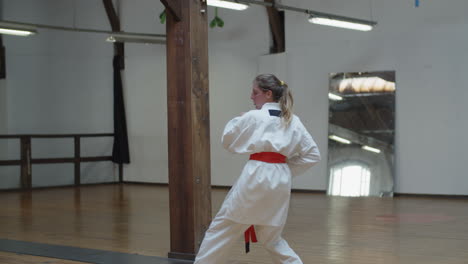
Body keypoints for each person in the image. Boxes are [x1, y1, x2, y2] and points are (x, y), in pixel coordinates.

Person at [194, 74, 321, 264]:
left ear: (268, 94)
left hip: (256, 176)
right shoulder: (293, 120)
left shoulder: (254, 116)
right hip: (280, 181)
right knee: (272, 239)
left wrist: (240, 119)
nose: (251, 97)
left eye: (255, 92)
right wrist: (286, 169)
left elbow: (227, 140)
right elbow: (313, 155)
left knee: (220, 231)